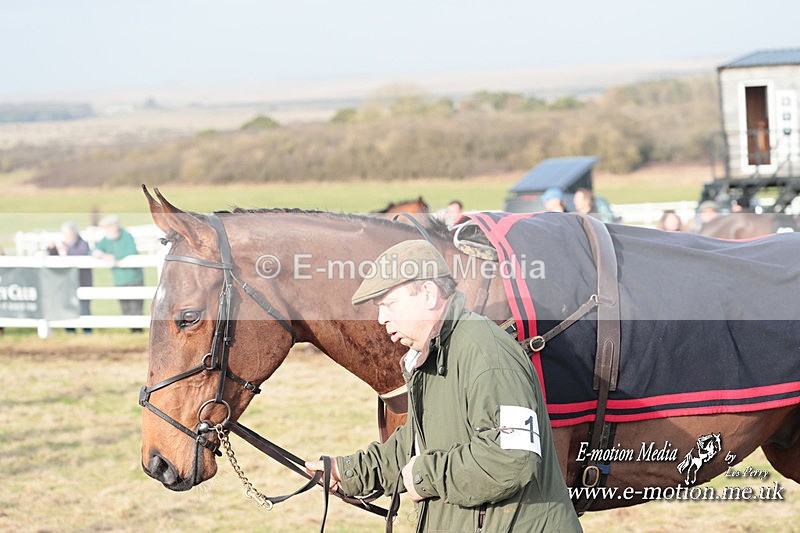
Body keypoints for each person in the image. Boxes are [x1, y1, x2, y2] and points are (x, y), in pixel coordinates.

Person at [305, 240, 581, 532]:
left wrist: (424, 475)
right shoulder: (436, 356)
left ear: (427, 293)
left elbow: (512, 458)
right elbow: (417, 443)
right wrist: (346, 471)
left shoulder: (486, 352)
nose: (381, 318)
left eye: (389, 304)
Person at [92, 215, 144, 333]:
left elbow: (131, 252)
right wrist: (100, 255)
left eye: (107, 228)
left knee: (135, 305)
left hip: (133, 277)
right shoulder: (107, 239)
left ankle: (138, 330)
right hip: (119, 279)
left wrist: (114, 257)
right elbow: (94, 249)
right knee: (124, 306)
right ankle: (132, 330)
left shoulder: (126, 236)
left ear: (114, 227)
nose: (105, 231)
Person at [47, 221, 93, 334]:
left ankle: (87, 331)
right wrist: (51, 249)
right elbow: (54, 257)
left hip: (82, 281)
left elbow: (81, 255)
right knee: (68, 306)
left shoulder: (83, 244)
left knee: (84, 307)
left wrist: (66, 250)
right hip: (67, 282)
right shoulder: (63, 244)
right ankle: (70, 330)